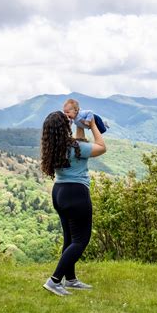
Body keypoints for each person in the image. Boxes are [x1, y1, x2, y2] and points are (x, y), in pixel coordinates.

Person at [40, 110, 107, 296]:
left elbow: (79, 143)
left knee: (69, 238)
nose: (70, 120)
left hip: (59, 192)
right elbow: (101, 147)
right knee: (80, 241)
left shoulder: (53, 148)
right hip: (76, 194)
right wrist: (92, 125)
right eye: (67, 120)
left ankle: (70, 279)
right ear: (63, 128)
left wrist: (79, 125)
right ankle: (54, 280)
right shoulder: (75, 147)